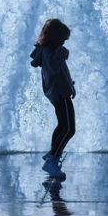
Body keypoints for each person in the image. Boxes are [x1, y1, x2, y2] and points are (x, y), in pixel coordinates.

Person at [30, 18, 77, 181]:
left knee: (63, 125)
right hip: (59, 93)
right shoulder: (50, 52)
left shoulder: (49, 50)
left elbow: (61, 71)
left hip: (60, 92)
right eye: (63, 39)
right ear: (55, 37)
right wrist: (61, 54)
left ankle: (52, 153)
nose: (64, 42)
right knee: (69, 129)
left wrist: (71, 85)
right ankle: (53, 160)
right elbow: (54, 70)